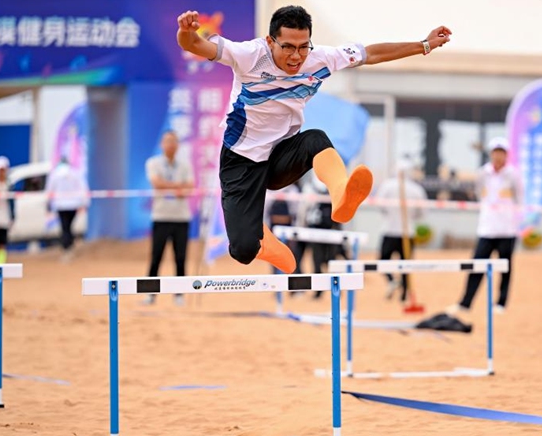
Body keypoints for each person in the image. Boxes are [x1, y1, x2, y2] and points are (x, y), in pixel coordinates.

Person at [176, 6, 451, 274]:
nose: (296, 56)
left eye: (303, 46)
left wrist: (424, 45)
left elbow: (372, 53)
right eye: (288, 47)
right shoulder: (249, 54)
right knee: (242, 251)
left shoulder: (321, 57)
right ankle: (263, 241)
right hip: (241, 159)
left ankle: (341, 194)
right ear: (271, 41)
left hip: (283, 154)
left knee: (316, 139)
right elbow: (196, 46)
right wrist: (186, 32)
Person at [448, 138, 524, 315]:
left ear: (506, 155)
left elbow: (520, 199)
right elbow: (478, 194)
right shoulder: (483, 173)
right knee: (477, 265)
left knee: (505, 268)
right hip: (487, 227)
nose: (498, 156)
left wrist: (516, 222)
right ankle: (466, 303)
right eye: (495, 152)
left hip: (507, 229)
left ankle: (501, 303)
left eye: (502, 152)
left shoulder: (513, 174)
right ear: (491, 154)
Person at [143, 131, 194, 306]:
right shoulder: (153, 163)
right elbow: (156, 183)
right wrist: (177, 187)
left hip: (181, 218)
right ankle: (150, 294)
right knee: (156, 257)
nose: (171, 144)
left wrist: (169, 187)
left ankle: (179, 295)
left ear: (178, 145)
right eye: (167, 141)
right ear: (162, 145)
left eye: (174, 141)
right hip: (161, 216)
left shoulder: (185, 165)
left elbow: (189, 188)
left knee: (180, 258)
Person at [376, 161, 428, 301]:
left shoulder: (387, 186)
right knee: (406, 264)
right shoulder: (416, 189)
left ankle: (393, 281)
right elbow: (422, 212)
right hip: (407, 232)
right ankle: (403, 292)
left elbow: (380, 205)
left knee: (383, 260)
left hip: (390, 230)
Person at [45, 157, 89, 261]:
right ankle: (68, 247)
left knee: (65, 228)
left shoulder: (55, 174)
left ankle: (67, 248)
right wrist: (84, 203)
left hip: (61, 205)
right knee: (68, 227)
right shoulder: (75, 173)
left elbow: (49, 189)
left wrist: (48, 203)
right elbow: (83, 188)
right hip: (73, 204)